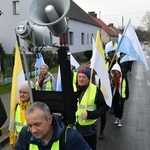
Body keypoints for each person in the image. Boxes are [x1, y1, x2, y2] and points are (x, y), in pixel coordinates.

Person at [15, 102, 92, 150]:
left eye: (37, 124)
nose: (33, 130)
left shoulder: (70, 136)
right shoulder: (25, 134)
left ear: (49, 119)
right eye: (30, 125)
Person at [74, 67, 108, 150]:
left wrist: (90, 114)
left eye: (84, 77)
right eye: (79, 76)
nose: (81, 79)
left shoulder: (95, 90)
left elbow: (103, 108)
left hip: (89, 130)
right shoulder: (75, 89)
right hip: (75, 128)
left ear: (89, 79)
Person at [9, 81, 34, 150]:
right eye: (20, 92)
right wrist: (12, 140)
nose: (21, 95)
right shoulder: (17, 106)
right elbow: (12, 124)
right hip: (19, 142)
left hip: (32, 140)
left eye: (25, 92)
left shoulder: (34, 107)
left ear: (30, 94)